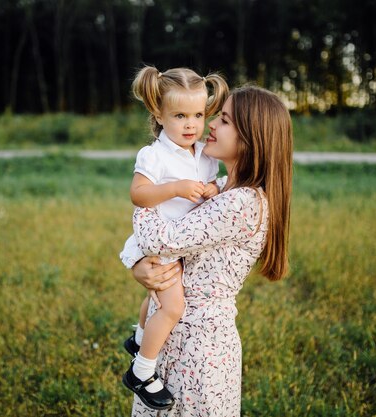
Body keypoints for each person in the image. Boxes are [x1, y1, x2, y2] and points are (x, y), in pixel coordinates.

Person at [123, 85, 293, 416]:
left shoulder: (242, 202)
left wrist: (147, 195)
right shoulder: (225, 186)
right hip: (174, 335)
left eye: (224, 119)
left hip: (199, 348)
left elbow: (163, 241)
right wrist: (142, 268)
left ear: (250, 137)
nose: (210, 125)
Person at [119, 65, 229, 410]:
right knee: (173, 306)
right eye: (180, 115)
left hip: (181, 244)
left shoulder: (203, 153)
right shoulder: (154, 155)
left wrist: (212, 188)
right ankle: (143, 370)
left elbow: (212, 187)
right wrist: (175, 188)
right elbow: (138, 194)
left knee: (156, 300)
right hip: (159, 243)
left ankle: (139, 339)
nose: (191, 125)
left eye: (198, 114)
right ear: (158, 113)